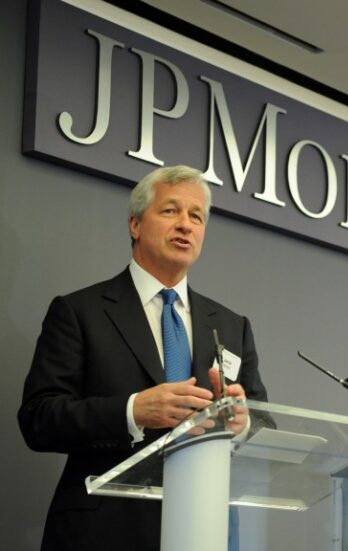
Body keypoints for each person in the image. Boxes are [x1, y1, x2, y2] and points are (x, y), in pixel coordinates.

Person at [18, 165, 269, 551]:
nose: (185, 224)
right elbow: (39, 418)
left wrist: (242, 423)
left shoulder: (232, 325)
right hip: (104, 533)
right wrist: (132, 411)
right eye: (170, 210)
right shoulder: (80, 312)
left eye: (196, 216)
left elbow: (263, 420)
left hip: (206, 530)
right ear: (135, 224)